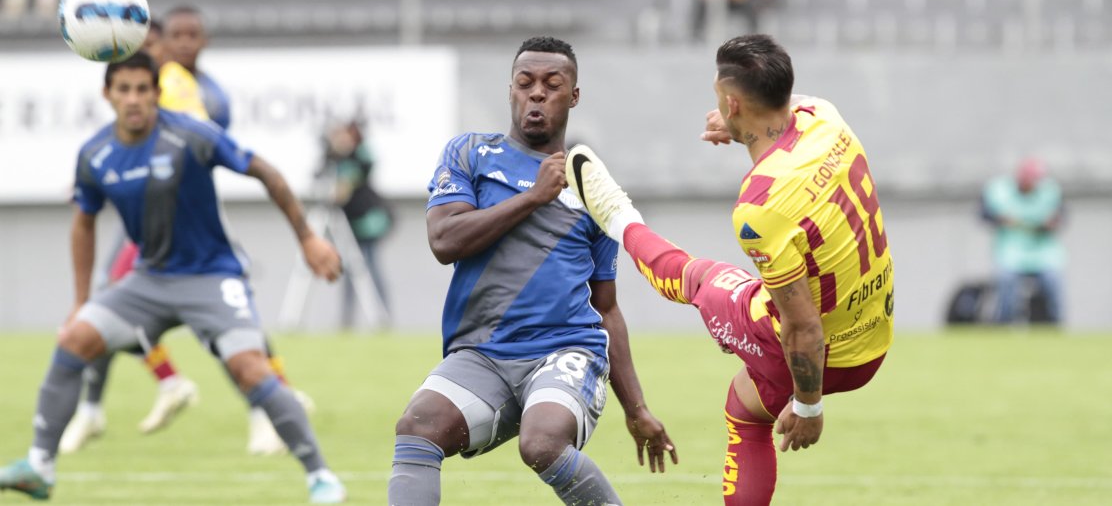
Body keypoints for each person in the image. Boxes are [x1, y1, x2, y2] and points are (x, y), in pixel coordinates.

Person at [0, 54, 347, 503]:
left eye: (143, 89)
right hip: (150, 280)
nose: (133, 99)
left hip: (212, 276)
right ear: (107, 95)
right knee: (74, 339)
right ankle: (40, 467)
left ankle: (321, 476)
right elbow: (83, 221)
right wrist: (80, 301)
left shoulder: (191, 135)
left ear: (156, 93)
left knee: (250, 367)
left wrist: (307, 239)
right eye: (124, 89)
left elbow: (265, 172)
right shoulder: (95, 154)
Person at [388, 37, 675, 505]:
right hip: (483, 354)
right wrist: (534, 197)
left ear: (573, 96)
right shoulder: (470, 154)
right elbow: (444, 241)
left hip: (565, 350)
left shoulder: (590, 187)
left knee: (542, 443)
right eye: (525, 83)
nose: (537, 93)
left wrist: (637, 409)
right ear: (511, 91)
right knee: (417, 426)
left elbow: (606, 307)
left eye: (551, 84)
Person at [59, 7, 315, 458]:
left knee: (226, 322)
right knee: (108, 299)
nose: (169, 47)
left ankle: (263, 401)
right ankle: (106, 404)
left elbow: (198, 147)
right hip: (145, 218)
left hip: (190, 220)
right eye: (160, 40)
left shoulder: (191, 92)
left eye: (154, 43)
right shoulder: (147, 85)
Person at [658, 33, 890, 504]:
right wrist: (739, 125)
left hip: (823, 357)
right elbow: (787, 106)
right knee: (747, 396)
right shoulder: (826, 116)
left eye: (719, 98)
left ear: (732, 102)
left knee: (700, 280)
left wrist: (808, 406)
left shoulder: (760, 205)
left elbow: (801, 326)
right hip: (874, 339)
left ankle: (615, 216)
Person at [322, 119, 395, 330]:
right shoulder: (337, 159)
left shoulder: (360, 156)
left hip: (367, 224)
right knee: (349, 273)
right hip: (350, 226)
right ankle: (347, 320)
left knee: (371, 269)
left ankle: (383, 317)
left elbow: (353, 179)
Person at [981, 157, 1065, 324]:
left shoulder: (1049, 193)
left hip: (1042, 252)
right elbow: (984, 215)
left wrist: (1051, 224)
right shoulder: (1000, 191)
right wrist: (1000, 219)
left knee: (1052, 281)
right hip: (1011, 252)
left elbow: (1061, 217)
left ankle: (1053, 323)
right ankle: (1004, 322)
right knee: (1006, 281)